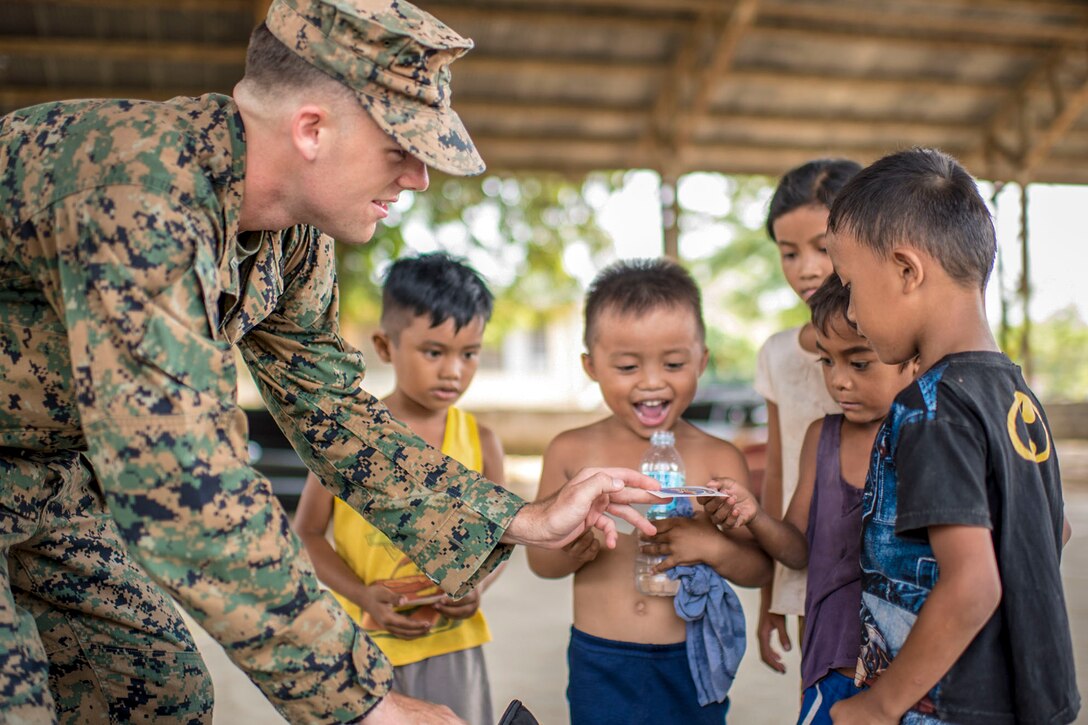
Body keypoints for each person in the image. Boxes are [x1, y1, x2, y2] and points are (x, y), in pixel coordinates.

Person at [0, 1, 662, 722]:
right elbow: (182, 481)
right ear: (311, 129)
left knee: (153, 692)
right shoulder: (137, 190)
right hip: (56, 468)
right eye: (399, 149)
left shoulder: (290, 237)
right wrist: (368, 705)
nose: (418, 180)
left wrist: (523, 518)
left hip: (48, 482)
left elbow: (334, 415)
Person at [824, 148, 1080, 724]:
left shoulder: (930, 407)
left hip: (946, 707)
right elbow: (1051, 529)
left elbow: (973, 584)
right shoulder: (1013, 394)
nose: (854, 312)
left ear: (907, 271)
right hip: (1022, 699)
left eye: (851, 286)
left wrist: (880, 706)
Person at [527, 258, 771, 725]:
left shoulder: (720, 458)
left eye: (674, 363)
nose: (652, 381)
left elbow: (759, 569)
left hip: (689, 657)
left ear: (702, 360)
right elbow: (542, 563)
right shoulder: (571, 450)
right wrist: (581, 544)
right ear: (591, 366)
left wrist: (710, 545)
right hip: (601, 658)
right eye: (627, 365)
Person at [295, 252, 504, 724]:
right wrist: (364, 595)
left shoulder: (481, 442)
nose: (453, 371)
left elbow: (498, 543)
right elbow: (306, 533)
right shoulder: (348, 436)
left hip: (452, 644)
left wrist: (477, 587)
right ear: (386, 346)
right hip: (362, 646)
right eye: (434, 352)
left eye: (468, 354)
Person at [706, 276, 915, 724]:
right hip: (833, 666)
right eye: (826, 361)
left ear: (910, 360)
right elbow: (798, 549)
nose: (838, 380)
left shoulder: (933, 439)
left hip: (917, 676)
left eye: (859, 363)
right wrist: (754, 515)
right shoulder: (823, 437)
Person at [753, 158, 861, 675]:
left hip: (878, 559)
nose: (807, 268)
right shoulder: (777, 354)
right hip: (803, 555)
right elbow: (777, 473)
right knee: (818, 689)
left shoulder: (897, 346)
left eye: (822, 247)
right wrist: (771, 591)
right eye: (788, 253)